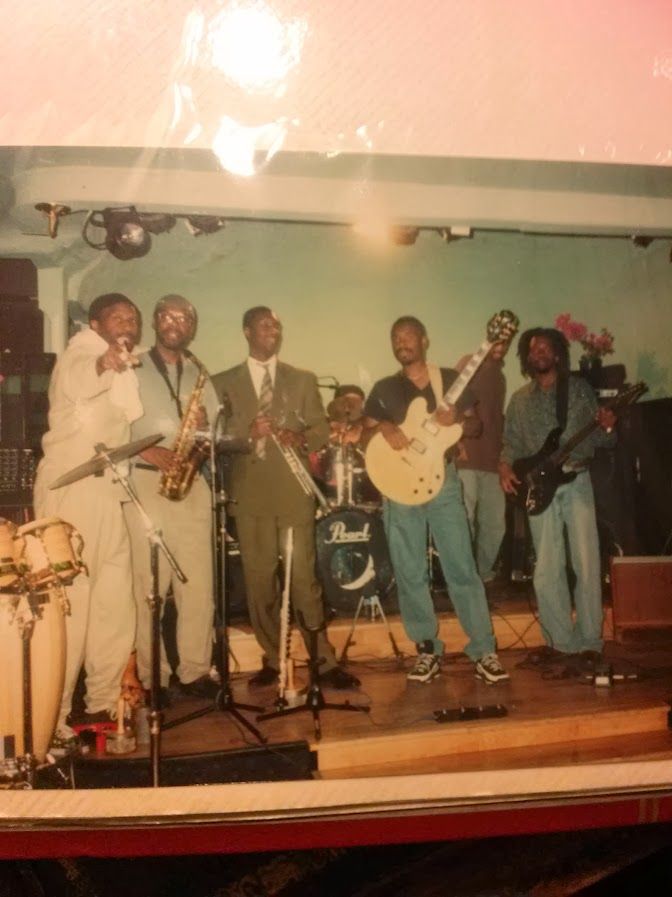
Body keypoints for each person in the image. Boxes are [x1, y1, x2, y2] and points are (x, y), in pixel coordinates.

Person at [212, 307, 359, 689]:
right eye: (264, 325)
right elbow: (216, 438)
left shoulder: (302, 379)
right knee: (259, 582)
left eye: (276, 326)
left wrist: (302, 438)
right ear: (247, 331)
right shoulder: (222, 382)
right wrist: (247, 432)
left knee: (304, 578)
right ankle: (274, 659)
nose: (273, 331)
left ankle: (323, 661)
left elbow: (320, 427)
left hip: (294, 491)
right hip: (250, 494)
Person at [362, 316, 509, 684]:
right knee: (410, 570)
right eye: (395, 337)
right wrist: (385, 426)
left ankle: (484, 650)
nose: (401, 342)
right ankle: (427, 649)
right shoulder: (384, 387)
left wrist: (456, 417)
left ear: (424, 340)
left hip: (444, 483)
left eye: (408, 335)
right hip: (398, 486)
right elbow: (364, 430)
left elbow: (476, 426)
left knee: (462, 566)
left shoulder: (449, 379)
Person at [33, 293, 142, 741]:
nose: (128, 324)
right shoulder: (81, 353)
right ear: (95, 324)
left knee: (114, 605)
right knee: (70, 608)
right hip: (72, 492)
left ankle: (102, 703)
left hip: (107, 490)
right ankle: (51, 720)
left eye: (133, 318)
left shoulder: (124, 366)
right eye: (118, 317)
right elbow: (82, 377)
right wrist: (105, 361)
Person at [123, 295, 220, 701]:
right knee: (149, 585)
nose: (173, 322)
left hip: (190, 482)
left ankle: (195, 670)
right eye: (166, 315)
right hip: (146, 479)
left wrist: (204, 427)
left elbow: (213, 433)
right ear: (155, 321)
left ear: (191, 327)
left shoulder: (200, 373)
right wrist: (147, 450)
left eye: (182, 317)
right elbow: (114, 421)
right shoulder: (132, 366)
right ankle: (153, 676)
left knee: (198, 585)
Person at [498, 328, 616, 659]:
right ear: (526, 357)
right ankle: (558, 642)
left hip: (577, 480)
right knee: (547, 566)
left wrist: (608, 425)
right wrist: (504, 467)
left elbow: (603, 440)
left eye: (546, 348)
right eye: (533, 349)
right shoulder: (519, 400)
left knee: (586, 562)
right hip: (539, 488)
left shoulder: (578, 390)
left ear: (557, 354)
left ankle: (590, 641)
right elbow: (511, 443)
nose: (539, 353)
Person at [455, 338, 512, 585]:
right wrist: (458, 444)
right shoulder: (469, 362)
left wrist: (504, 457)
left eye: (506, 343)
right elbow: (452, 401)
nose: (501, 347)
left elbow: (496, 419)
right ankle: (465, 577)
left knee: (495, 524)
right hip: (467, 458)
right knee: (465, 520)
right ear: (488, 338)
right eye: (497, 340)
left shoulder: (501, 377)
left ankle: (482, 574)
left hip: (493, 460)